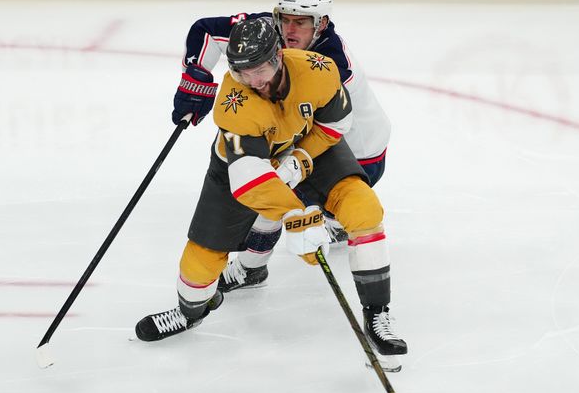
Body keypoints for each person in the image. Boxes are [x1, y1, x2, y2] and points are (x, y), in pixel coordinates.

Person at [136, 18, 406, 370]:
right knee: (200, 263)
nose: (254, 81)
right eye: (243, 72)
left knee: (363, 208)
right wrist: (296, 216)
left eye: (260, 69)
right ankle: (190, 312)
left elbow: (335, 123)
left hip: (307, 146)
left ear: (279, 56)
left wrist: (302, 159)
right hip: (238, 170)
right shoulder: (234, 104)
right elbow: (250, 179)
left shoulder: (319, 69)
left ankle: (377, 314)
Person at [171, 0, 392, 295]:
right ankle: (254, 267)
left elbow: (325, 126)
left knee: (286, 195)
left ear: (321, 25)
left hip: (358, 150)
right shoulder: (268, 32)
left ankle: (258, 263)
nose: (289, 28)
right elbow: (206, 31)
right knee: (276, 189)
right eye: (284, 18)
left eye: (299, 22)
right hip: (307, 134)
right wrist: (196, 79)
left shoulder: (330, 63)